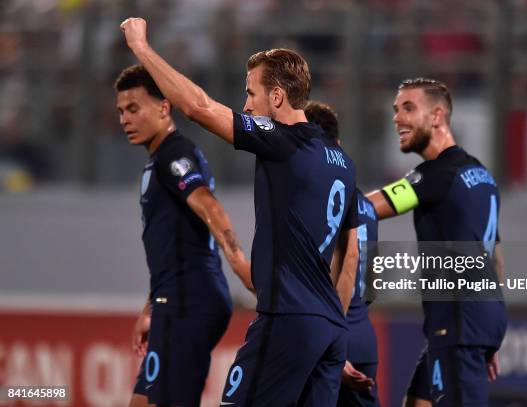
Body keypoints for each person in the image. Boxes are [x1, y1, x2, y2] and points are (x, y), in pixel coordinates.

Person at [120, 18, 360, 406]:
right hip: (330, 328)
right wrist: (333, 329)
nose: (246, 105)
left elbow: (197, 106)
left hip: (287, 318)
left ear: (278, 97)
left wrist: (141, 48)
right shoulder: (343, 164)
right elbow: (348, 255)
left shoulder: (283, 143)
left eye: (251, 93)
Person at [114, 64, 252, 407]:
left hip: (189, 300)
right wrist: (150, 307)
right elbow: (173, 245)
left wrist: (239, 263)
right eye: (120, 111)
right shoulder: (160, 158)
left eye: (134, 108)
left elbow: (210, 206)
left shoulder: (174, 154)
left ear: (164, 107)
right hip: (174, 298)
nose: (124, 119)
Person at [366, 78, 507, 407]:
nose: (397, 118)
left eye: (408, 108)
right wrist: (488, 332)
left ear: (437, 116)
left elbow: (367, 208)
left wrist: (323, 189)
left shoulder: (435, 175)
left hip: (458, 321)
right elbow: (496, 258)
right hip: (477, 319)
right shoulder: (482, 176)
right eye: (395, 110)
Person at [304, 101, 380, 407]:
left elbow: (332, 269)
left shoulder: (320, 199)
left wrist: (333, 345)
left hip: (329, 335)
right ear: (339, 142)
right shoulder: (367, 206)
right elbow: (371, 280)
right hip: (363, 333)